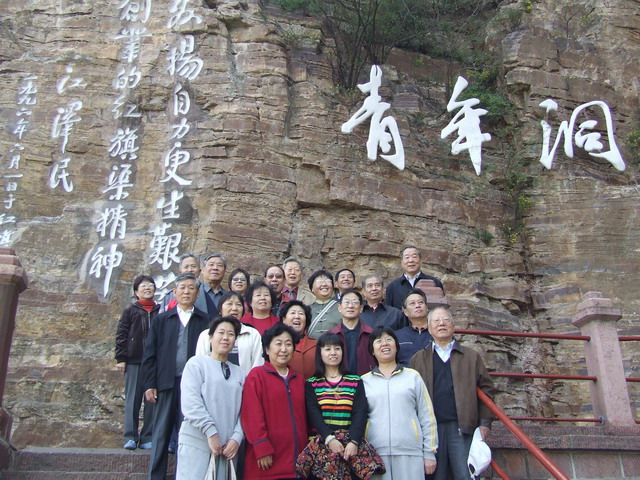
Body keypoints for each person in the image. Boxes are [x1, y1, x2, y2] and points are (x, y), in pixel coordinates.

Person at [409, 306, 495, 480]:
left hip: (462, 426)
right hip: (431, 428)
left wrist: (485, 422)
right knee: (435, 475)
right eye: (436, 321)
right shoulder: (418, 358)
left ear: (453, 326)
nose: (441, 324)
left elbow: (487, 389)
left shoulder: (471, 356)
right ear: (429, 328)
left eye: (446, 320)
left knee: (464, 474)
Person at [141, 273, 211, 480]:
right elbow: (150, 354)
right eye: (183, 287)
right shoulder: (162, 320)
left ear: (198, 293)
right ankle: (156, 476)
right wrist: (149, 384)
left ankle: (183, 475)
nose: (187, 291)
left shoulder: (206, 321)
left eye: (191, 288)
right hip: (165, 383)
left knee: (187, 434)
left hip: (193, 387)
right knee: (161, 432)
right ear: (174, 292)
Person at [362, 327, 438, 479]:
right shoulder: (364, 381)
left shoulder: (413, 377)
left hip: (410, 451)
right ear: (372, 350)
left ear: (396, 346)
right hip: (375, 454)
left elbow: (427, 416)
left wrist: (429, 452)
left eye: (389, 339)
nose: (384, 344)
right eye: (379, 341)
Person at [176, 316, 244, 480]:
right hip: (197, 444)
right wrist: (211, 432)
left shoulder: (240, 373)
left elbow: (246, 410)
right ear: (211, 337)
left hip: (226, 449)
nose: (226, 337)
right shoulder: (196, 364)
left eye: (231, 334)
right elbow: (191, 403)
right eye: (221, 332)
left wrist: (237, 437)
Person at [241, 323, 308, 480]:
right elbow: (251, 415)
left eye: (288, 344)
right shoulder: (256, 376)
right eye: (278, 344)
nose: (283, 349)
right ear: (266, 349)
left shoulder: (299, 380)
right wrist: (261, 445)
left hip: (297, 462)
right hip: (266, 461)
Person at [301, 332, 372, 479]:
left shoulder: (355, 381)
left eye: (337, 348)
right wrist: (329, 439)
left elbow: (360, 412)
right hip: (322, 445)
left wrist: (354, 441)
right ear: (320, 353)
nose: (333, 353)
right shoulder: (312, 383)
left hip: (350, 447)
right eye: (327, 349)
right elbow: (314, 414)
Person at [115, 275, 159, 450]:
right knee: (132, 399)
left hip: (154, 362)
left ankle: (147, 437)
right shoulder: (130, 311)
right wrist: (121, 358)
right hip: (134, 361)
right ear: (136, 291)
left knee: (152, 400)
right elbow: (121, 334)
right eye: (143, 286)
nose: (147, 288)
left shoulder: (159, 310)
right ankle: (130, 436)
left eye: (150, 285)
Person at [195, 291, 263, 376]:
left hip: (246, 382)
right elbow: (200, 363)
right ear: (220, 309)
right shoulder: (207, 335)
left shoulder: (252, 334)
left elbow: (258, 363)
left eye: (238, 305)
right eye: (229, 304)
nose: (234, 308)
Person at [328, 290, 375, 376]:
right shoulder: (330, 336)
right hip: (339, 382)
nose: (350, 306)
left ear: (361, 308)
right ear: (339, 308)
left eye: (354, 302)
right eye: (346, 302)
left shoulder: (371, 334)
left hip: (367, 381)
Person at [385, 245, 443, 310]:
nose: (410, 260)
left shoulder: (434, 283)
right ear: (401, 262)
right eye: (407, 257)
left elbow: (440, 309)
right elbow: (389, 313)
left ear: (420, 260)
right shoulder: (392, 287)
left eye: (414, 257)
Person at [395, 289, 433, 365]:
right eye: (412, 303)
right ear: (405, 312)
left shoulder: (438, 332)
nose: (417, 306)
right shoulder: (397, 336)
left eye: (420, 302)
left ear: (427, 308)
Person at [280, 300, 317, 379]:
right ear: (284, 319)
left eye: (301, 313)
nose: (297, 316)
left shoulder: (316, 344)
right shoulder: (277, 345)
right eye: (293, 313)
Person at [307, 269, 342, 339]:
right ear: (312, 288)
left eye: (328, 281)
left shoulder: (341, 307)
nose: (324, 284)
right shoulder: (306, 310)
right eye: (320, 281)